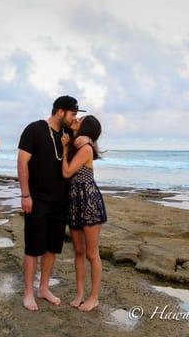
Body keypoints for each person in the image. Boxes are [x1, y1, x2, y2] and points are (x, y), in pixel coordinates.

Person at [17, 95, 85, 311]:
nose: (75, 117)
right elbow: (22, 162)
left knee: (52, 247)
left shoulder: (67, 135)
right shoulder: (34, 130)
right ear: (60, 112)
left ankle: (43, 288)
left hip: (60, 201)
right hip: (37, 199)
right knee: (33, 247)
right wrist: (25, 194)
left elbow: (85, 150)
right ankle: (28, 292)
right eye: (73, 113)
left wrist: (75, 130)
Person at [60, 115, 106, 312]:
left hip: (88, 201)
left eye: (80, 119)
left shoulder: (85, 148)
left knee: (91, 253)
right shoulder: (76, 143)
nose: (76, 119)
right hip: (74, 201)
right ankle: (79, 293)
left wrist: (64, 149)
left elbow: (67, 172)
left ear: (85, 127)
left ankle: (93, 297)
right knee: (78, 251)